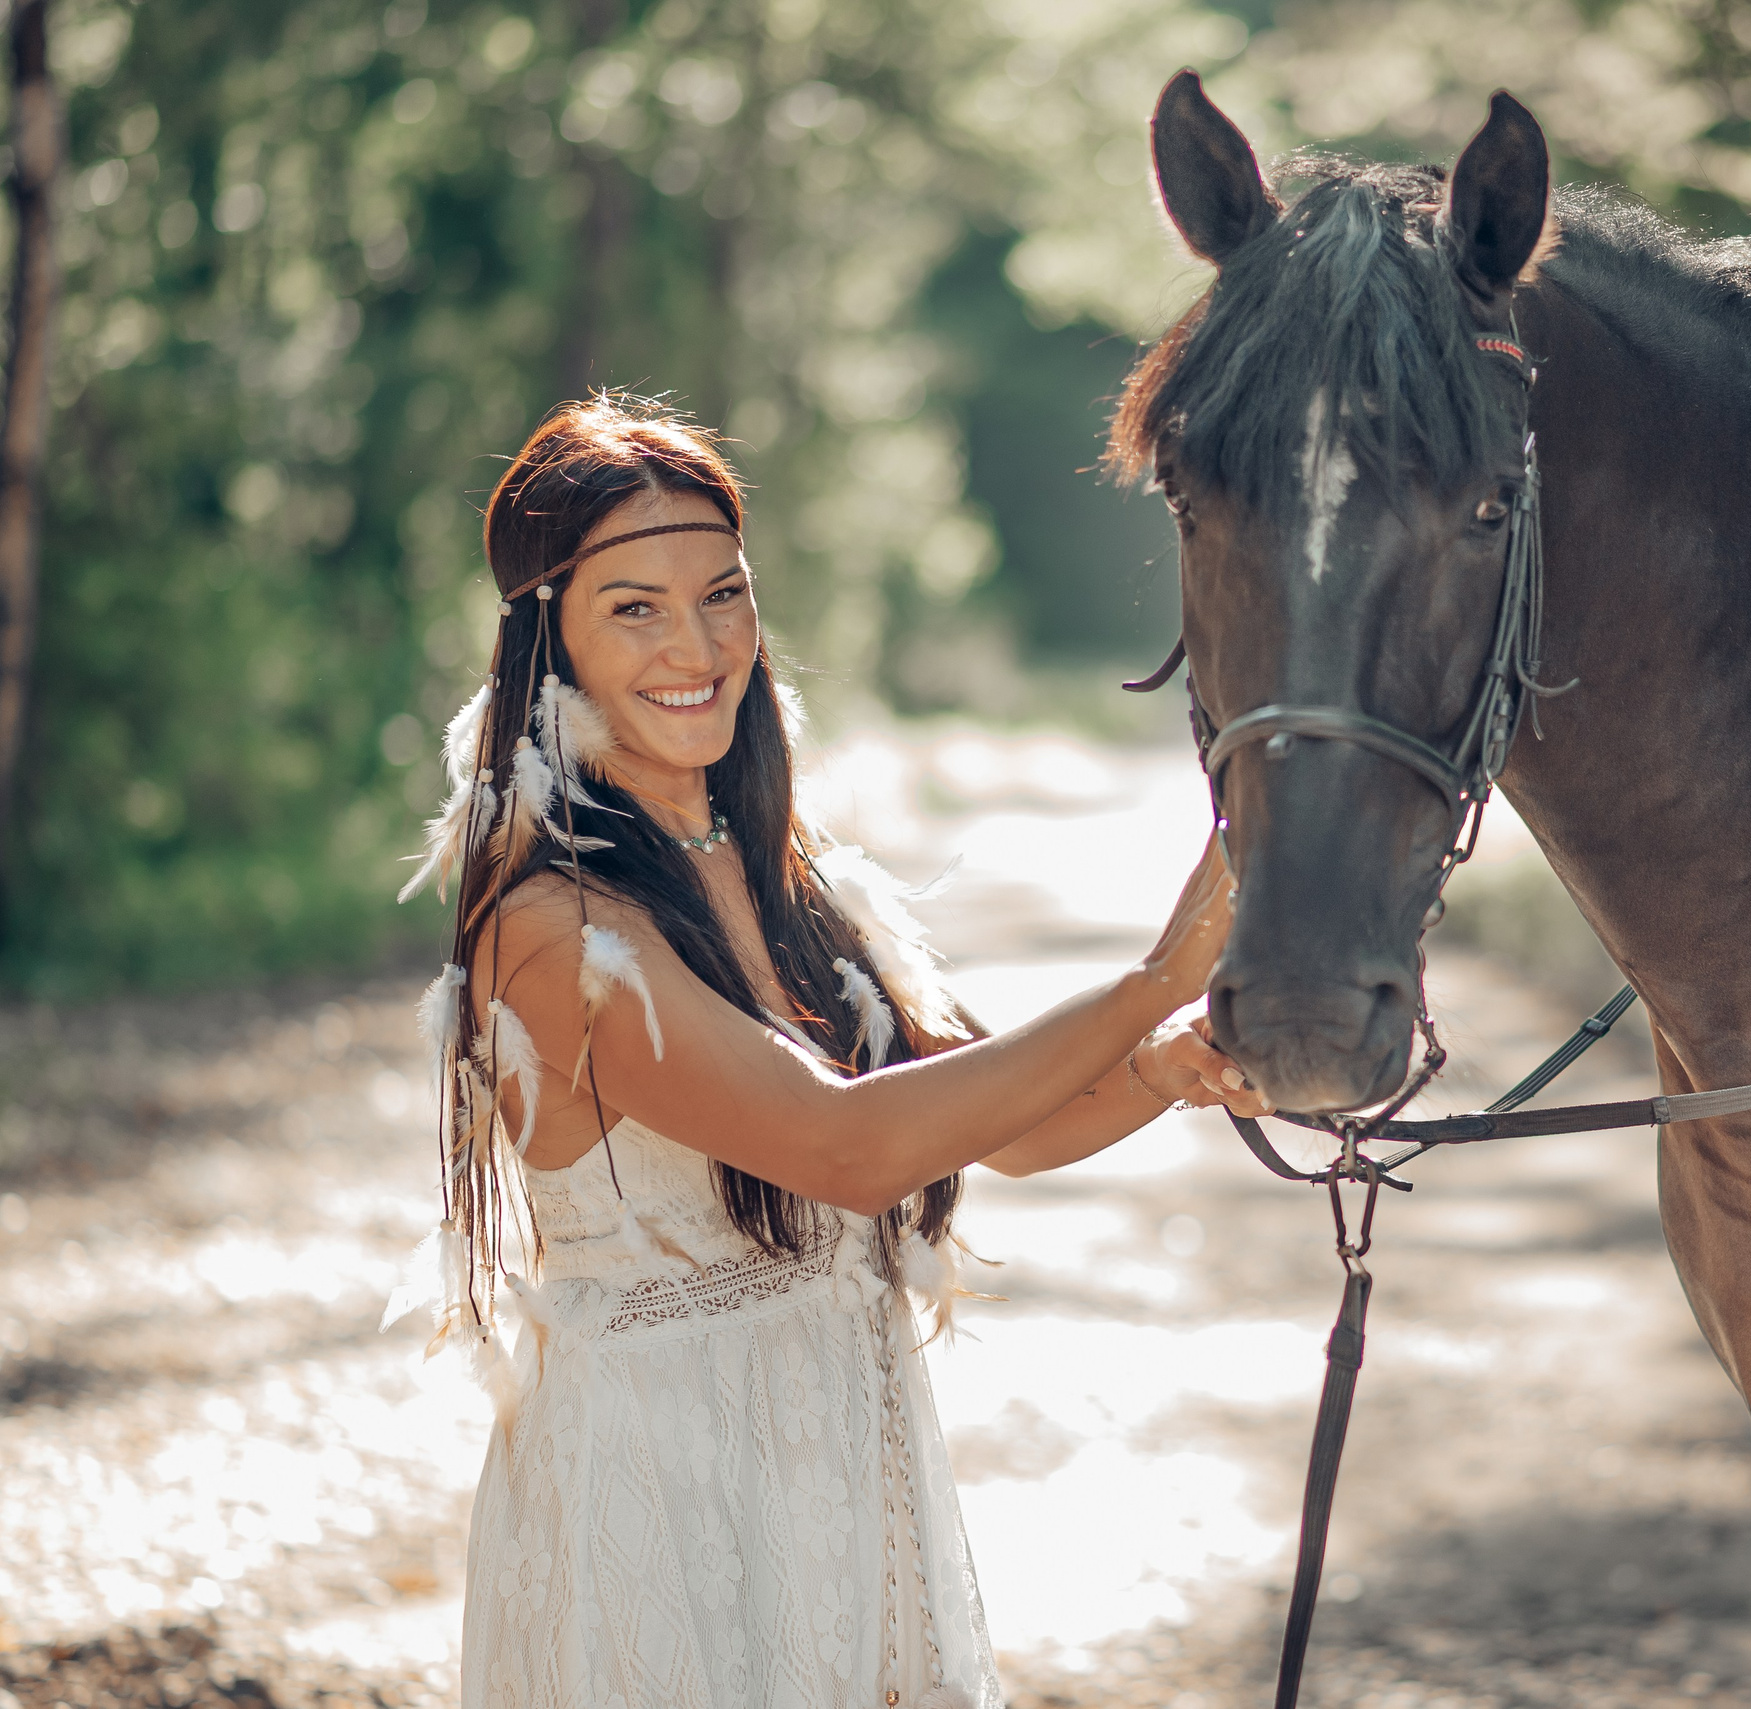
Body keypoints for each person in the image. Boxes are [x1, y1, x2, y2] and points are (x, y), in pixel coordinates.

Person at [392, 393, 1269, 1709]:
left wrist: (1166, 1061)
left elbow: (1002, 1127)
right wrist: (1152, 977)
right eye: (634, 606)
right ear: (550, 637)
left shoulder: (799, 884)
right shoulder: (554, 926)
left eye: (723, 593)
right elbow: (850, 1146)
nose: (696, 643)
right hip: (657, 1496)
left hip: (836, 1455)